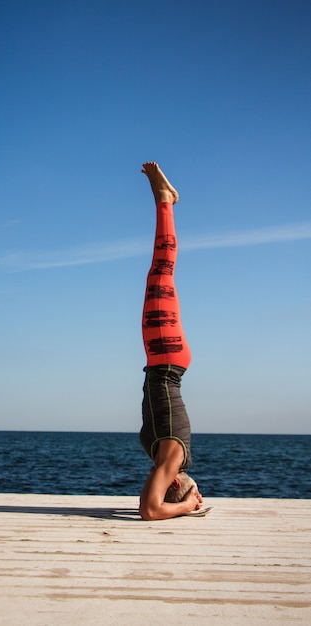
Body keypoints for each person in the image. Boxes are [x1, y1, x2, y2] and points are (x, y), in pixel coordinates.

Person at [139, 162, 203, 520]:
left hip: (162, 361)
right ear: (177, 482)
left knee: (157, 274)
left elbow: (149, 505)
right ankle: (166, 202)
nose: (154, 479)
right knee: (160, 272)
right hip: (168, 359)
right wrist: (188, 506)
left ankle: (165, 203)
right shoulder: (172, 456)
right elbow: (150, 511)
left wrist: (183, 503)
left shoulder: (162, 455)